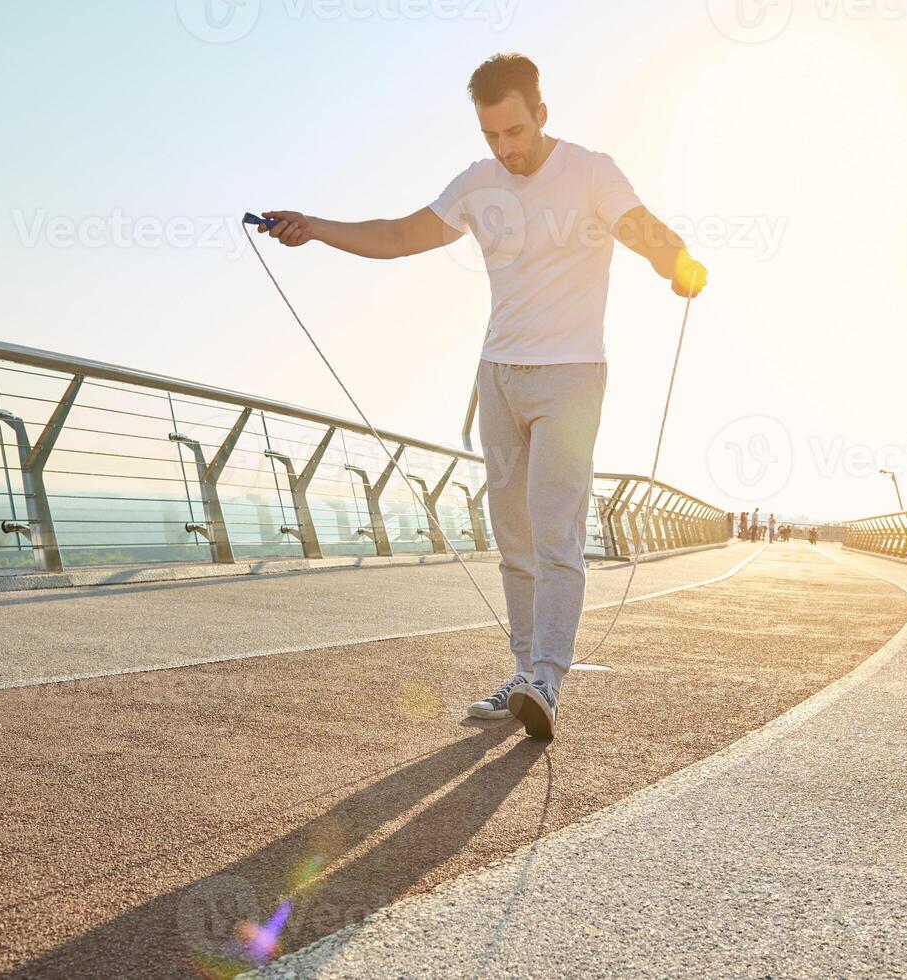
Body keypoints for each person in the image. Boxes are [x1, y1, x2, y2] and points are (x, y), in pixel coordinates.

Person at [258, 54, 707, 740]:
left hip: (571, 377)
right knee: (513, 541)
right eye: (492, 135)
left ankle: (548, 683)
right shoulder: (477, 184)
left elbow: (638, 227)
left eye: (515, 132)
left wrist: (676, 260)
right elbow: (403, 235)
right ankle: (524, 673)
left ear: (541, 114)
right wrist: (316, 226)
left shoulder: (590, 171)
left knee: (555, 534)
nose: (505, 148)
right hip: (497, 379)